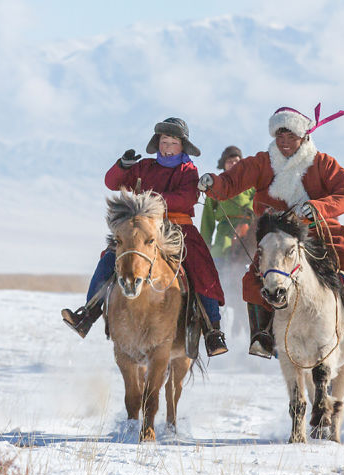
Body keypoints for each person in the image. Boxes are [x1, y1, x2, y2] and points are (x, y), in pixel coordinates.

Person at [197, 105, 344, 359]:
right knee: (254, 277)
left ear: (304, 137)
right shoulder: (261, 162)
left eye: (291, 137)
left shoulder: (323, 163)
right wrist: (214, 183)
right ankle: (262, 336)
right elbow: (232, 181)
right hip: (276, 233)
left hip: (316, 228)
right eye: (280, 136)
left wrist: (319, 206)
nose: (285, 142)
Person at [61, 117, 228, 357]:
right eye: (163, 141)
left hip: (177, 228)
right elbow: (112, 183)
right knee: (111, 257)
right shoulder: (144, 167)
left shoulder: (188, 171)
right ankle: (88, 314)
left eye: (172, 143)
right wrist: (123, 166)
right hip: (141, 228)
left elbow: (187, 198)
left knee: (202, 268)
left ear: (182, 146)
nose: (167, 147)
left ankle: (213, 330)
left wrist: (152, 201)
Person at [199, 146, 255, 261]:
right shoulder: (217, 186)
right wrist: (205, 243)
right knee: (218, 253)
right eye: (230, 162)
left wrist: (249, 209)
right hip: (225, 228)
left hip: (247, 226)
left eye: (237, 161)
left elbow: (258, 198)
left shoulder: (250, 184)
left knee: (251, 255)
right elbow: (207, 216)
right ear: (224, 165)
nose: (233, 164)